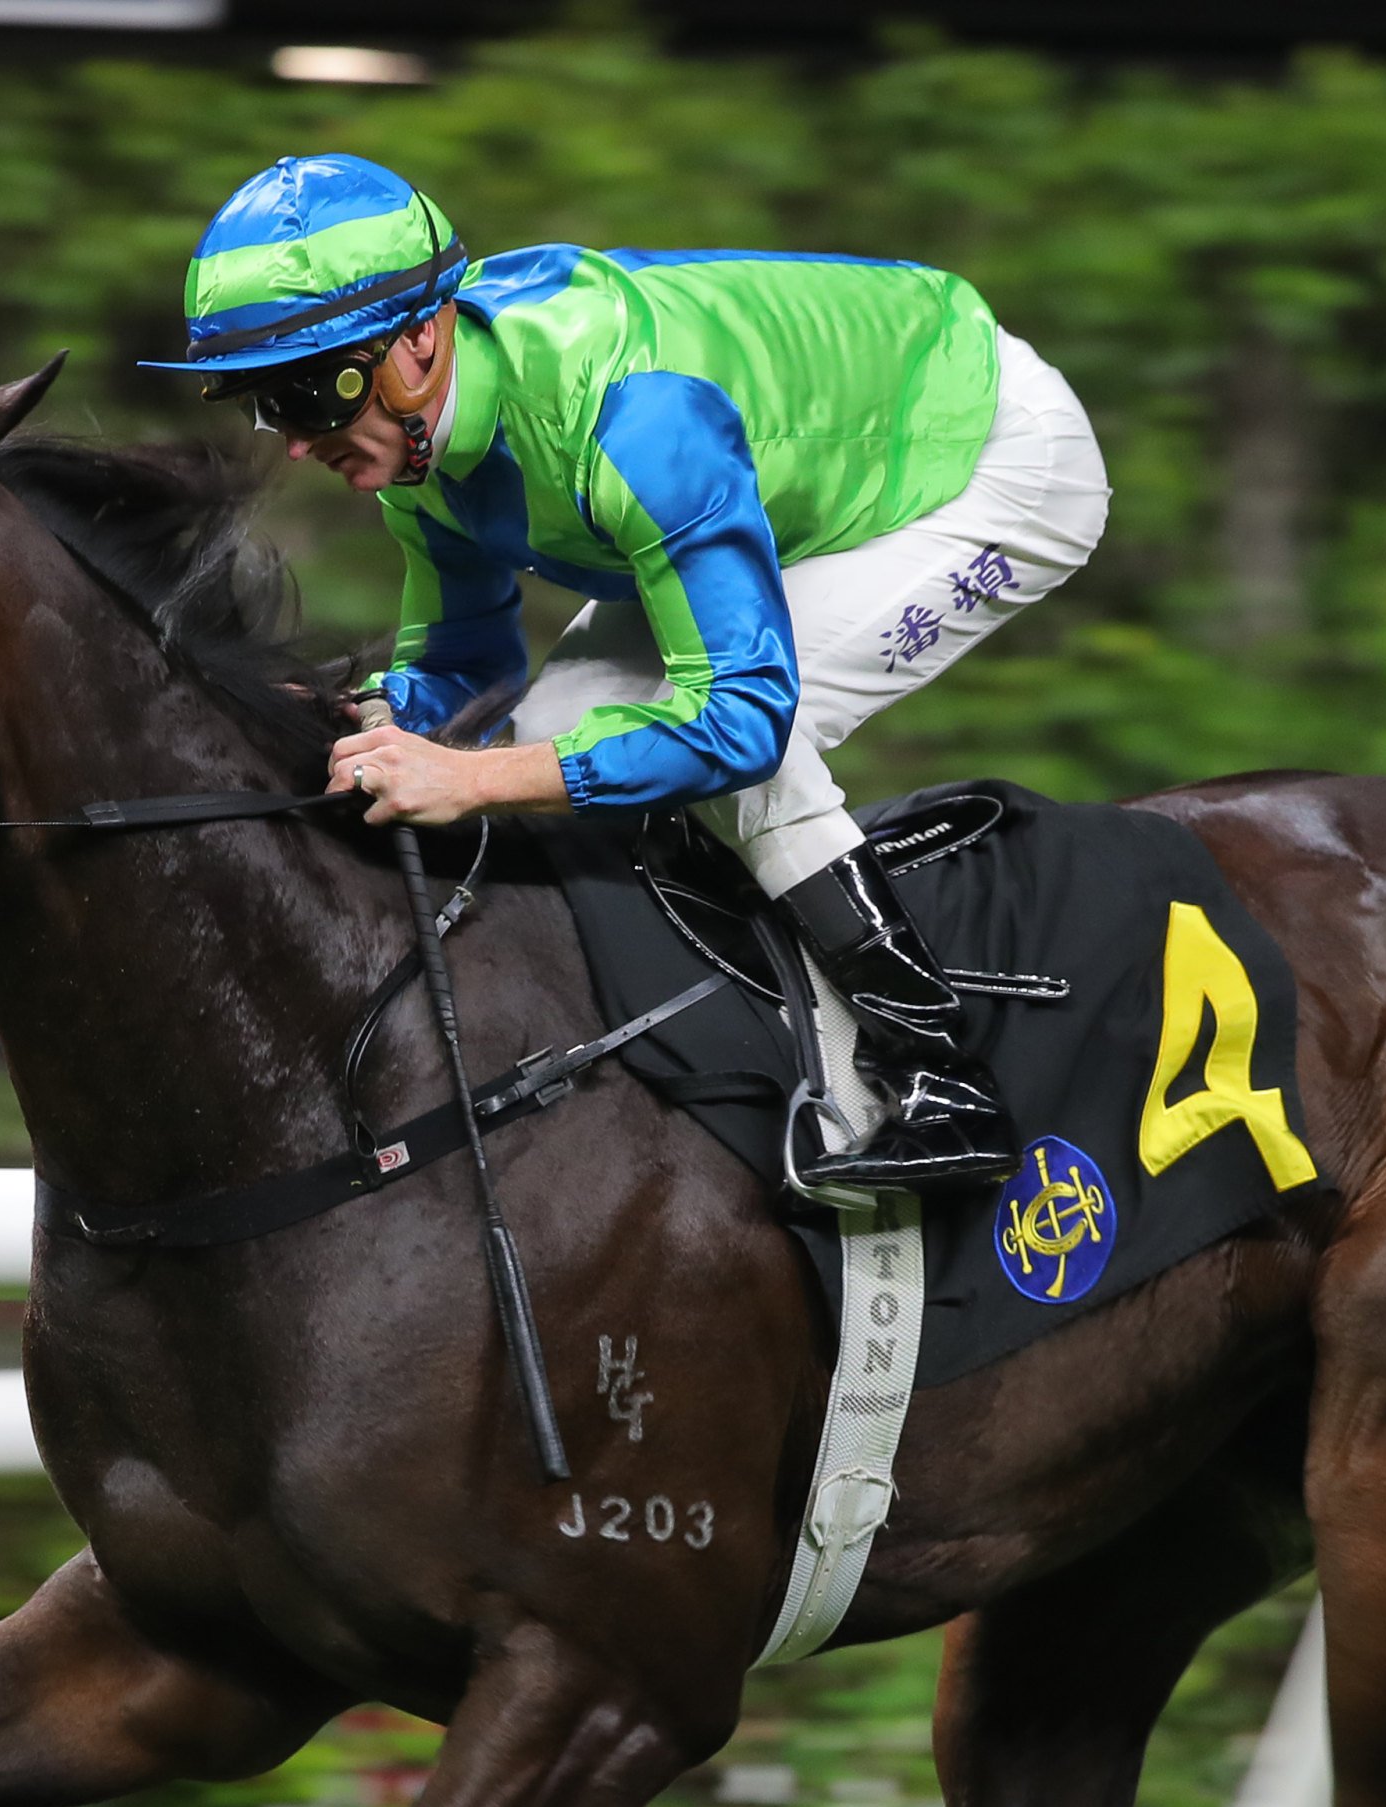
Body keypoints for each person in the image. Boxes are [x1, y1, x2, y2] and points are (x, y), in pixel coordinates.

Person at [154, 154, 1110, 1193]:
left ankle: (943, 1082)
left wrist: (465, 778)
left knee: (742, 755)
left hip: (988, 458)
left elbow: (739, 720)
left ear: (418, 341)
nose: (297, 442)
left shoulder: (630, 420)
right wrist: (364, 716)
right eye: (266, 405)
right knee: (559, 727)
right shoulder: (415, 447)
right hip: (790, 475)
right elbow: (470, 663)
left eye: (308, 392)